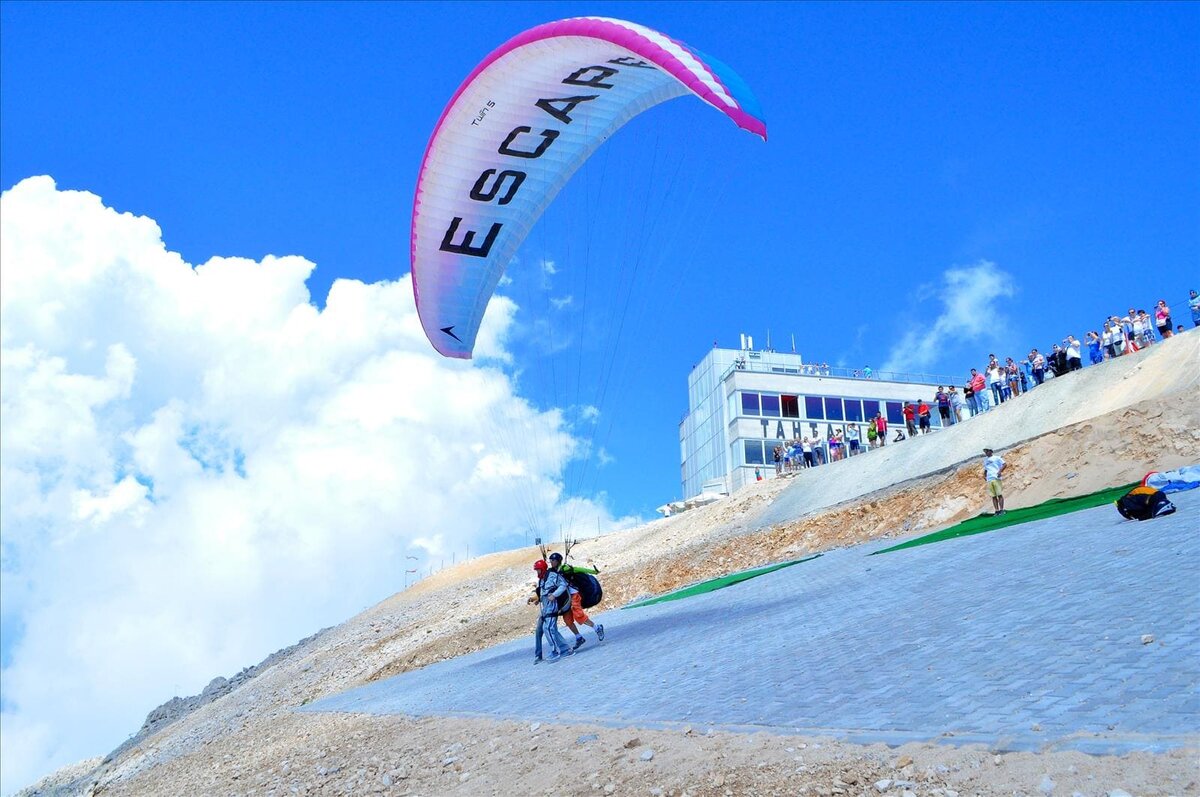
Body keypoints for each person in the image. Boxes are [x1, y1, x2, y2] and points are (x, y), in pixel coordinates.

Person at [552, 553, 604, 647]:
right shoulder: (553, 572)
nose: (551, 562)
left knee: (578, 616)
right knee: (568, 620)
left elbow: (578, 569)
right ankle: (578, 637)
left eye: (553, 560)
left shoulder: (565, 568)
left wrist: (593, 571)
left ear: (558, 561)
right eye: (550, 560)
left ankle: (597, 628)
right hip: (564, 597)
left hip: (573, 595)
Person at [533, 559, 573, 663]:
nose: (537, 572)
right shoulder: (542, 580)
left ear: (542, 569)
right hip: (545, 607)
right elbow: (544, 594)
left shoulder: (552, 576)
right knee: (553, 629)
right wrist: (539, 600)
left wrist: (555, 595)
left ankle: (555, 652)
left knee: (548, 628)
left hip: (552, 606)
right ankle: (566, 649)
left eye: (538, 570)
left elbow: (563, 585)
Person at [982, 447, 1006, 516]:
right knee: (993, 496)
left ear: (991, 451)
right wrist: (984, 475)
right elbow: (986, 469)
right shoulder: (985, 460)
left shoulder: (997, 458)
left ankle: (1001, 509)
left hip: (996, 477)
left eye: (987, 451)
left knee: (999, 494)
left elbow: (1004, 464)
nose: (986, 453)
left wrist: (1000, 471)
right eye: (985, 452)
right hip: (989, 479)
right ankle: (996, 510)